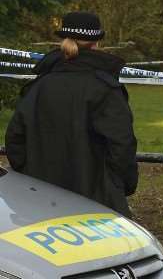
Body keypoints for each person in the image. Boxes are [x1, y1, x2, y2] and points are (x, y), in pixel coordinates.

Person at [5, 12, 138, 218]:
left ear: (63, 40)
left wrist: (29, 178)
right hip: (95, 203)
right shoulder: (104, 88)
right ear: (96, 43)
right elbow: (122, 144)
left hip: (40, 201)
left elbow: (15, 139)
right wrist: (118, 186)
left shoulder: (39, 85)